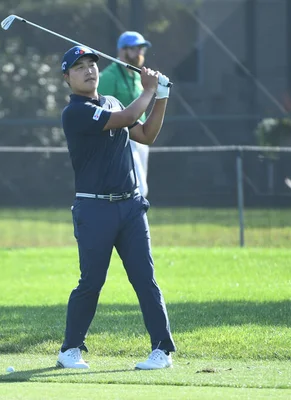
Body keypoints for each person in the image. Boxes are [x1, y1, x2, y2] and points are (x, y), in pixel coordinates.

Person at [56, 45, 176, 370]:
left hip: (131, 206)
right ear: (67, 78)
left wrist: (161, 96)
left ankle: (162, 351)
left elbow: (146, 134)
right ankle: (70, 350)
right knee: (91, 282)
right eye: (78, 67)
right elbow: (126, 118)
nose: (89, 70)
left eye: (91, 64)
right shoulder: (75, 112)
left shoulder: (112, 101)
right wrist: (149, 88)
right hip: (94, 210)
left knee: (145, 279)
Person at [98, 31, 152, 197]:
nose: (140, 53)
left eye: (142, 49)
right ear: (122, 50)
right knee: (138, 187)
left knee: (142, 188)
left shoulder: (137, 75)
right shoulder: (109, 76)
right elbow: (101, 109)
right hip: (123, 138)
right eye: (135, 49)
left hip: (140, 137)